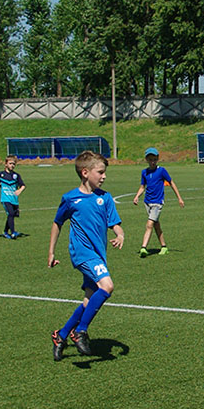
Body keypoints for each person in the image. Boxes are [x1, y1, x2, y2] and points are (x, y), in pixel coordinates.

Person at [47, 150, 123, 361]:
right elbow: (57, 223)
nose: (104, 176)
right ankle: (80, 331)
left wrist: (120, 233)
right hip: (82, 254)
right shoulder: (71, 199)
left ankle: (61, 335)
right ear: (85, 172)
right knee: (107, 286)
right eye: (100, 172)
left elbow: (114, 222)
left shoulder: (105, 198)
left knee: (89, 301)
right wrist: (51, 251)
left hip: (98, 254)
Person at [132, 147, 184, 257]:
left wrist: (179, 198)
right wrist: (137, 196)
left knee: (149, 224)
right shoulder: (144, 172)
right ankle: (164, 247)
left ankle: (143, 247)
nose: (152, 162)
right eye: (150, 159)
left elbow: (171, 183)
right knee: (156, 225)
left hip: (157, 202)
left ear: (158, 159)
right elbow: (142, 187)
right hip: (147, 202)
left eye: (154, 159)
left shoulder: (161, 171)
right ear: (146, 159)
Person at [0, 156, 26, 239]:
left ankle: (5, 232)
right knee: (11, 213)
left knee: (11, 215)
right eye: (10, 163)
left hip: (14, 199)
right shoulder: (1, 174)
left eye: (14, 164)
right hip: (5, 199)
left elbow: (23, 185)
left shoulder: (16, 175)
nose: (12, 165)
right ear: (6, 164)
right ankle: (13, 232)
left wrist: (19, 190)